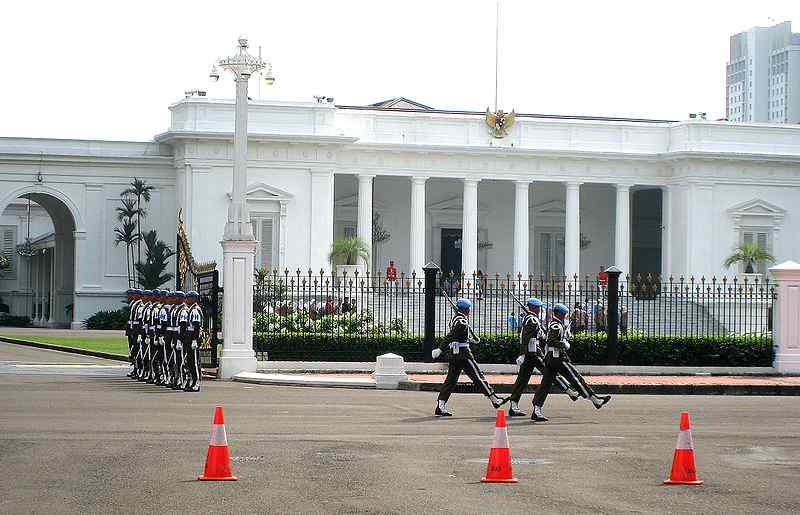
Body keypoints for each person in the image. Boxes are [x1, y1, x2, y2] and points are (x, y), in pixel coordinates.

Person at [531, 303, 611, 422]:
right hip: (557, 358)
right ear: (557, 313)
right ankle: (595, 399)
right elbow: (551, 341)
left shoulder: (556, 324)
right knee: (576, 378)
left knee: (545, 385)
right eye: (563, 314)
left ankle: (536, 410)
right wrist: (563, 344)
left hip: (551, 358)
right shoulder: (556, 326)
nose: (564, 316)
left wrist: (564, 337)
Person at [506, 298, 580, 417]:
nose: (540, 309)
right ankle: (568, 391)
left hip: (533, 352)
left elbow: (537, 335)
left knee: (524, 379)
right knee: (549, 374)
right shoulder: (532, 320)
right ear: (534, 307)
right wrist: (522, 354)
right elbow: (525, 338)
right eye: (539, 307)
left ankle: (514, 405)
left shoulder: (531, 318)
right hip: (533, 353)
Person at [431, 298, 504, 416]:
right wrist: (440, 348)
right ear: (465, 309)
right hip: (464, 354)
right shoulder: (461, 322)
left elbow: (457, 336)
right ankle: (494, 399)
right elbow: (451, 336)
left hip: (455, 354)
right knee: (478, 377)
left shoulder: (456, 320)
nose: (470, 310)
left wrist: (469, 339)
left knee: (451, 380)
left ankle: (441, 404)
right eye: (469, 308)